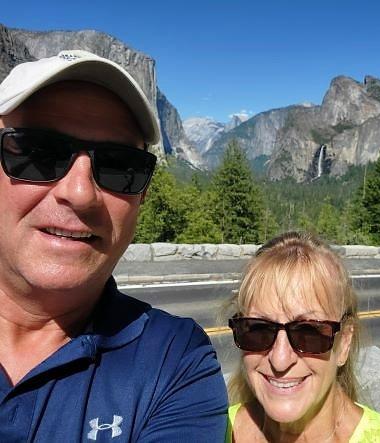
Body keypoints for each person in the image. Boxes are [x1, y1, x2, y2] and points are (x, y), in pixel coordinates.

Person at [0, 50, 227, 442]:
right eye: (39, 153)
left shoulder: (175, 363)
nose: (80, 193)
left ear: (142, 197)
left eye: (120, 166)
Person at [225, 231, 380, 442]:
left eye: (309, 332)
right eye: (259, 330)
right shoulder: (210, 431)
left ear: (344, 342)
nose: (280, 359)